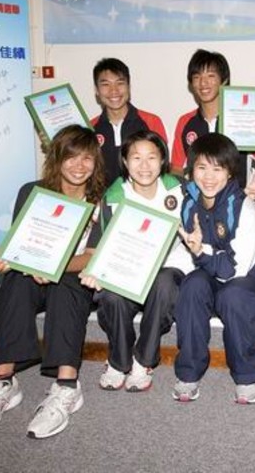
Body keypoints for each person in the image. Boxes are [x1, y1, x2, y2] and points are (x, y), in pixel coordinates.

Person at [0, 125, 105, 439]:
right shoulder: (32, 192)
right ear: (56, 158)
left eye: (87, 158)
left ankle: (67, 386)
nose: (79, 165)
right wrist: (7, 256)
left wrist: (55, 267)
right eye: (71, 157)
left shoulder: (100, 200)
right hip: (32, 273)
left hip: (72, 275)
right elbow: (20, 243)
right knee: (14, 281)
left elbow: (93, 256)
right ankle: (2, 382)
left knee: (66, 287)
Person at [80, 130, 192, 392]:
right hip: (128, 267)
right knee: (111, 298)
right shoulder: (114, 197)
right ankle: (118, 360)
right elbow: (98, 247)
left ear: (162, 159)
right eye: (136, 158)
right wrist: (96, 270)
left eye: (152, 157)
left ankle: (143, 359)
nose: (144, 166)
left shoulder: (181, 188)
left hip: (170, 265)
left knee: (165, 284)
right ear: (125, 162)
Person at [171, 133, 255, 404]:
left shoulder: (243, 206)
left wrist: (200, 251)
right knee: (192, 286)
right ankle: (188, 372)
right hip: (212, 271)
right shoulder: (189, 203)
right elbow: (190, 255)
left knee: (232, 295)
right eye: (202, 167)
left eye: (218, 168)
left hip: (250, 279)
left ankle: (249, 374)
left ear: (230, 173)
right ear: (191, 170)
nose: (208, 176)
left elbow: (234, 269)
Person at [170, 49, 255, 192]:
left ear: (224, 80)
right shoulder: (185, 122)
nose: (203, 83)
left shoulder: (243, 117)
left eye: (211, 76)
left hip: (238, 203)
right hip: (198, 205)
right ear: (191, 83)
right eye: (197, 77)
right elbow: (176, 170)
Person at [91, 57, 168, 185]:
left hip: (141, 201)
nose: (114, 90)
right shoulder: (90, 128)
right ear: (96, 90)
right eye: (105, 84)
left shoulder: (151, 122)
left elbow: (162, 166)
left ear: (129, 86)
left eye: (120, 83)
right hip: (102, 200)